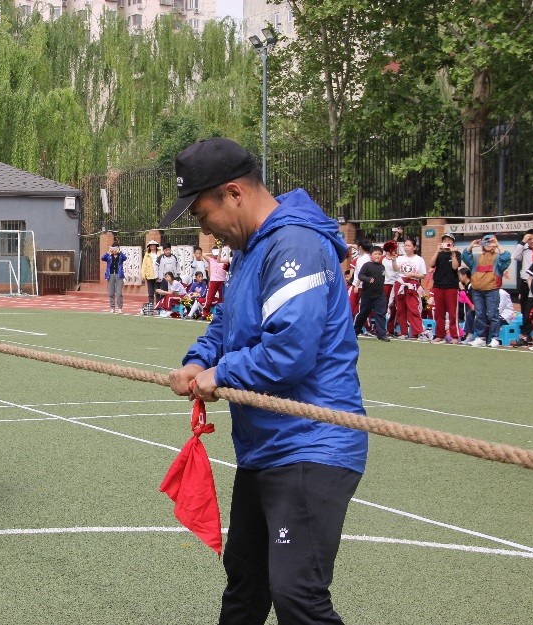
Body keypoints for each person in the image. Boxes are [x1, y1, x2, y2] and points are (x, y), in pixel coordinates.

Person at [162, 138, 367, 625]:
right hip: (265, 449)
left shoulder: (293, 243)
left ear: (233, 193)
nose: (201, 228)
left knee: (297, 596)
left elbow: (289, 352)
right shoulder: (251, 251)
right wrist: (199, 361)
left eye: (200, 212)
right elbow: (227, 326)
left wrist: (223, 372)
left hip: (311, 445)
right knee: (246, 583)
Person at [461, 234, 511, 348]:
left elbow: (507, 258)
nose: (488, 244)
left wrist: (497, 245)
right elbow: (465, 256)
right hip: (477, 291)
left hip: (492, 290)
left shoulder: (498, 257)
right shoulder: (477, 258)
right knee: (479, 315)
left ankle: (494, 338)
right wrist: (471, 245)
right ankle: (481, 338)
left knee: (493, 315)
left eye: (490, 241)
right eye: (486, 242)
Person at [427, 233, 461, 343]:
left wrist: (453, 253)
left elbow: (455, 266)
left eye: (449, 240)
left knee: (452, 313)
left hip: (451, 286)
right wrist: (437, 250)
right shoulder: (439, 254)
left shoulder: (456, 253)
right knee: (439, 313)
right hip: (438, 286)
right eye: (445, 240)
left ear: (453, 242)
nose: (447, 242)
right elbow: (431, 264)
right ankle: (439, 335)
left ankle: (455, 336)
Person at [392, 237, 427, 340]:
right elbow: (396, 269)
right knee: (401, 309)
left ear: (414, 247)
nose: (406, 248)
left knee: (413, 308)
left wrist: (413, 274)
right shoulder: (400, 258)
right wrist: (394, 261)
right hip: (401, 283)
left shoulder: (419, 259)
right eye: (405, 246)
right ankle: (404, 332)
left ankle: (418, 332)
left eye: (408, 246)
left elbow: (423, 275)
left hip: (412, 283)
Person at [354, 246, 390, 341]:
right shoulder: (367, 265)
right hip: (367, 296)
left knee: (381, 314)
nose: (377, 256)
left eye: (379, 254)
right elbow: (360, 276)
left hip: (379, 296)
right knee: (363, 315)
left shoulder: (382, 267)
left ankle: (381, 334)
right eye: (375, 254)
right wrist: (368, 279)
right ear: (371, 255)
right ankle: (355, 332)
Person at [512, 228, 533, 345]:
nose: (532, 241)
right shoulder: (524, 250)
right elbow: (515, 256)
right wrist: (523, 242)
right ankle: (526, 336)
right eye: (530, 238)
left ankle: (528, 335)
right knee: (526, 311)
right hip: (526, 283)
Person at [101, 244, 126, 313]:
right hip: (110, 275)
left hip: (119, 275)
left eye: (116, 248)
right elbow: (102, 258)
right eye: (113, 248)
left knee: (119, 293)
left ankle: (120, 308)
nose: (114, 250)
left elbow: (125, 258)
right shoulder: (109, 256)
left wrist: (119, 251)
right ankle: (112, 307)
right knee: (111, 293)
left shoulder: (120, 256)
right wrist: (109, 251)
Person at [141, 239, 160, 308]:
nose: (152, 246)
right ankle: (151, 306)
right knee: (150, 292)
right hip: (149, 275)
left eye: (153, 245)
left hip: (158, 275)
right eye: (151, 245)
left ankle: (158, 306)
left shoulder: (160, 254)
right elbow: (144, 265)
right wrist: (143, 274)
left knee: (157, 292)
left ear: (156, 246)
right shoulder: (147, 255)